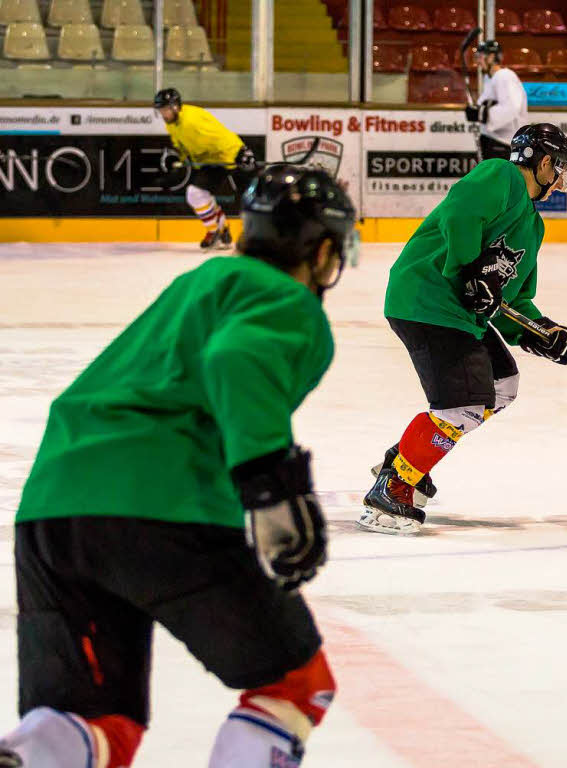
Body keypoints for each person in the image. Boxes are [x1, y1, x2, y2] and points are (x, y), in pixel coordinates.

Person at [0, 165, 357, 768]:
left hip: (52, 511)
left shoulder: (201, 282)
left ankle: (36, 754)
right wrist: (270, 483)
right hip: (161, 505)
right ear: (322, 251)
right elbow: (236, 358)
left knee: (96, 723)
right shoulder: (284, 299)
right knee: (296, 685)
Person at [360, 123, 567, 535]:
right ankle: (393, 488)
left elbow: (510, 301)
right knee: (458, 407)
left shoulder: (533, 228)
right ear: (546, 162)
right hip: (427, 301)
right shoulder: (500, 176)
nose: (559, 182)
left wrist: (543, 332)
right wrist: (466, 273)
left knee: (502, 384)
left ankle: (405, 458)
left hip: (460, 314)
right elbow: (462, 211)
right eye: (560, 170)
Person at [154, 87, 259, 250]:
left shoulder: (193, 120)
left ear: (176, 107)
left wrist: (240, 152)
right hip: (208, 161)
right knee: (198, 195)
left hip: (225, 157)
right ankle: (222, 230)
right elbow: (180, 143)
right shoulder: (171, 123)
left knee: (199, 195)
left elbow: (220, 136)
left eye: (166, 110)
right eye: (161, 110)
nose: (163, 114)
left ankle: (216, 231)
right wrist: (180, 158)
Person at [464, 40, 529, 161]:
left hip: (504, 144)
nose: (478, 61)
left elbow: (511, 108)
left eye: (480, 56)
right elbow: (485, 108)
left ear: (492, 57)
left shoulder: (505, 76)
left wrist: (481, 114)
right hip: (493, 141)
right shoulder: (489, 79)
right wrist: (476, 111)